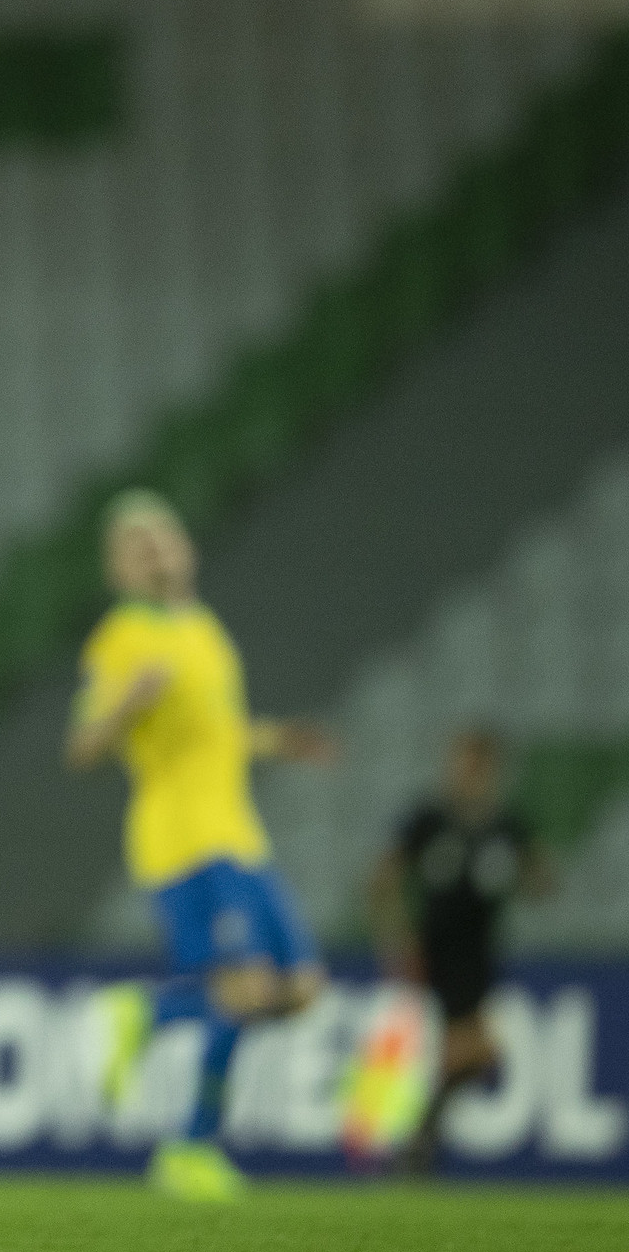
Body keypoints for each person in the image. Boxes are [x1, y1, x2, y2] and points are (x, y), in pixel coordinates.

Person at [65, 490, 334, 1201]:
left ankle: (148, 1014)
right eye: (136, 543)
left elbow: (221, 731)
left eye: (163, 536)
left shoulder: (204, 629)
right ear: (118, 568)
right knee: (244, 990)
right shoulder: (123, 635)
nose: (154, 549)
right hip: (183, 839)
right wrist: (128, 700)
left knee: (300, 989)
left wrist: (278, 738)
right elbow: (83, 745)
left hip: (240, 835)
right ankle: (188, 1145)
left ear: (187, 548)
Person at [368, 726, 552, 1172]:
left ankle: (417, 1143)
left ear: (490, 770)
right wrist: (396, 935)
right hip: (437, 947)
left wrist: (531, 877)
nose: (467, 773)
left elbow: (542, 879)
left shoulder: (506, 824)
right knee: (473, 1051)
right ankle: (416, 1143)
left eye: (476, 765)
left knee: (475, 1054)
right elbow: (384, 877)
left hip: (480, 951)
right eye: (462, 762)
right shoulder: (429, 818)